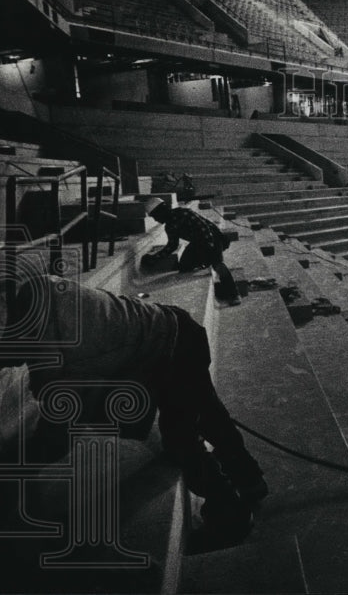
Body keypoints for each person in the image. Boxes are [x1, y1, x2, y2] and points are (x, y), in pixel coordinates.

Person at [1, 275, 267, 548]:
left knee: (180, 440)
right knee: (211, 417)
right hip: (178, 327)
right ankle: (250, 479)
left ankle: (231, 515)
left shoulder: (47, 357)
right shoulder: (38, 290)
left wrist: (18, 464)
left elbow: (57, 431)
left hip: (171, 351)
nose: (10, 365)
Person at [144, 197, 241, 306]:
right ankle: (204, 262)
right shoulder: (170, 226)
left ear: (162, 210)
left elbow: (205, 228)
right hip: (198, 243)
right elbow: (172, 246)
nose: (156, 220)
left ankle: (234, 294)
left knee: (218, 265)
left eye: (155, 216)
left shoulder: (184, 213)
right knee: (184, 266)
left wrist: (211, 253)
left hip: (213, 238)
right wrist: (154, 258)